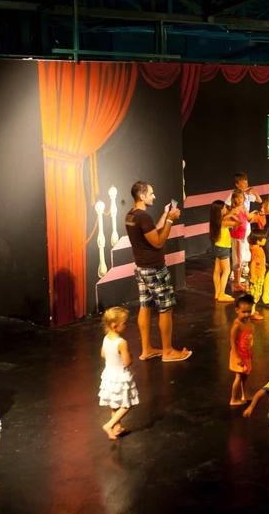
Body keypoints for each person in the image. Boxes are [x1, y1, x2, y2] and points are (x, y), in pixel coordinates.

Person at [125, 181, 191, 362]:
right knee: (165, 308)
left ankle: (147, 349)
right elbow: (158, 241)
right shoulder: (143, 217)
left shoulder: (131, 215)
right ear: (142, 196)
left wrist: (164, 215)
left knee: (145, 306)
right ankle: (168, 351)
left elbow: (151, 233)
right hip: (154, 269)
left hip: (141, 268)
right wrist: (170, 219)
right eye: (151, 193)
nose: (154, 196)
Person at [98, 307, 139, 440]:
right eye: (125, 323)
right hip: (120, 376)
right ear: (115, 326)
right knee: (127, 404)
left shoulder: (106, 338)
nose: (126, 326)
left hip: (108, 376)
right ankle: (109, 425)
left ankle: (117, 428)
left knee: (114, 404)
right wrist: (130, 356)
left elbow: (103, 354)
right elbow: (127, 362)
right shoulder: (122, 343)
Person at [208, 200, 237, 302]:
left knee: (217, 270)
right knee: (226, 271)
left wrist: (229, 213)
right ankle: (222, 294)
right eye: (224, 207)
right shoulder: (223, 222)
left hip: (216, 247)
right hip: (223, 248)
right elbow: (238, 223)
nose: (226, 209)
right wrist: (234, 214)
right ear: (220, 210)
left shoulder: (215, 220)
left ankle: (217, 293)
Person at [229, 294, 254, 406]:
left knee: (245, 376)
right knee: (238, 377)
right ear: (237, 310)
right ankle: (233, 399)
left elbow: (248, 337)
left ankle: (245, 395)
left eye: (249, 311)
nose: (247, 314)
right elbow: (232, 342)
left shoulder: (248, 321)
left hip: (246, 353)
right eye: (244, 312)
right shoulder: (236, 325)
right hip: (238, 355)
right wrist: (237, 356)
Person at [247, 229, 266, 320]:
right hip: (257, 275)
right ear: (258, 240)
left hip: (259, 274)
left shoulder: (257, 248)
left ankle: (252, 311)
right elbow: (253, 263)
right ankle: (252, 312)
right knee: (255, 294)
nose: (265, 240)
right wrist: (253, 276)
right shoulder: (256, 250)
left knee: (256, 293)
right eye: (264, 238)